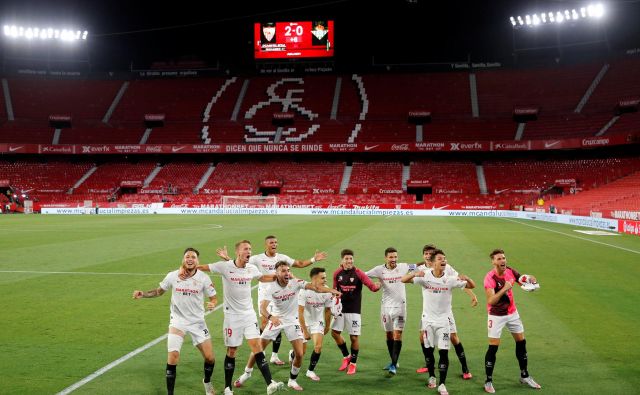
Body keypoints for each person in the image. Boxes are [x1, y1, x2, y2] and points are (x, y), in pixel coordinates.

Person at [218, 235, 327, 366]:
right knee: (265, 323)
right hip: (265, 294)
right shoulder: (257, 258)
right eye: (271, 243)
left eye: (276, 242)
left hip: (280, 293)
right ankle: (260, 351)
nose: (274, 244)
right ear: (266, 245)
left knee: (278, 322)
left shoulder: (282, 258)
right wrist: (227, 258)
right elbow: (241, 265)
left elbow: (299, 264)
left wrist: (314, 259)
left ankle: (274, 355)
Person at [196, 240, 285, 395]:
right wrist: (187, 268)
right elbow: (203, 268)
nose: (249, 251)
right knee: (232, 351)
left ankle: (270, 383)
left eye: (250, 249)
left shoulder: (251, 268)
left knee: (257, 348)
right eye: (246, 249)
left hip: (249, 315)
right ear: (238, 252)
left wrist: (280, 276)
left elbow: (262, 278)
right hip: (232, 316)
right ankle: (228, 388)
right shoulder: (224, 266)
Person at [234, 261, 340, 391]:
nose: (287, 273)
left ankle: (292, 380)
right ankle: (247, 373)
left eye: (288, 270)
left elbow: (316, 287)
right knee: (258, 348)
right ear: (276, 273)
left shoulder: (295, 283)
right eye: (283, 270)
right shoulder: (271, 287)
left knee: (299, 354)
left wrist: (332, 290)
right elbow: (262, 308)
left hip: (292, 321)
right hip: (276, 319)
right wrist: (271, 317)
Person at [132, 248, 218, 395]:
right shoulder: (173, 276)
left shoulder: (204, 278)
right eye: (187, 257)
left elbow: (214, 297)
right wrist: (144, 294)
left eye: (193, 257)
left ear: (197, 261)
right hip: (178, 321)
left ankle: (207, 382)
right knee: (173, 357)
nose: (190, 259)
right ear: (183, 259)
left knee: (210, 358)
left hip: (198, 322)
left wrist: (213, 304)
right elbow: (159, 291)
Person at [403, 249, 475, 395]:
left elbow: (471, 285)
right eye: (440, 259)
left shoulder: (449, 277)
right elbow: (403, 279)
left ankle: (442, 383)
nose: (444, 261)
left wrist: (467, 279)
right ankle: (432, 376)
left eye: (445, 259)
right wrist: (414, 274)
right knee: (428, 350)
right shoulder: (424, 274)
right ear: (433, 262)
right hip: (427, 320)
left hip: (444, 320)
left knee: (444, 352)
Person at [482, 249, 541, 393]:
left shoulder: (509, 271)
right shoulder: (489, 278)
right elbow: (491, 300)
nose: (503, 261)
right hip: (496, 315)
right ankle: (488, 381)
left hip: (512, 313)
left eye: (504, 258)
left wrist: (530, 280)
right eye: (499, 259)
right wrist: (504, 289)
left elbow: (522, 280)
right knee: (493, 346)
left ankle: (524, 375)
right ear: (493, 262)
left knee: (521, 342)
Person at [415, 244, 478, 379]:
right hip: (428, 312)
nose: (427, 256)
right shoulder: (420, 269)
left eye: (430, 254)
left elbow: (459, 281)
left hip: (445, 312)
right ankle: (429, 364)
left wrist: (472, 295)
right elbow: (405, 273)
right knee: (423, 337)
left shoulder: (446, 268)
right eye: (425, 253)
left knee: (453, 338)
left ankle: (465, 368)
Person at [365, 247, 415, 375]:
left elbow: (417, 266)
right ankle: (394, 360)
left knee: (397, 334)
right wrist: (374, 284)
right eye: (391, 257)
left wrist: (429, 263)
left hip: (400, 307)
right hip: (386, 307)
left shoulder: (403, 267)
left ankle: (393, 364)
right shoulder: (379, 270)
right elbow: (363, 276)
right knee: (388, 334)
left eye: (395, 257)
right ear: (386, 257)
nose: (394, 259)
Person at [331, 248, 381, 375]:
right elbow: (334, 290)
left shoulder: (359, 273)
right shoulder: (337, 273)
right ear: (342, 260)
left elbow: (371, 286)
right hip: (340, 309)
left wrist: (376, 286)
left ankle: (353, 363)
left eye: (351, 258)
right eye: (346, 259)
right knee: (335, 333)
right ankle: (346, 356)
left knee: (354, 337)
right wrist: (333, 301)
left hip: (354, 310)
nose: (349, 261)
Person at [297, 267, 340, 381]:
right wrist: (305, 330)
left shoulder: (327, 292)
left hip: (317, 322)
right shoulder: (304, 291)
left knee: (318, 346)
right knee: (301, 352)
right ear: (314, 279)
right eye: (323, 278)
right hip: (303, 322)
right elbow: (300, 312)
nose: (325, 280)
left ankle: (310, 371)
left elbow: (327, 310)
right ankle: (293, 354)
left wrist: (327, 326)